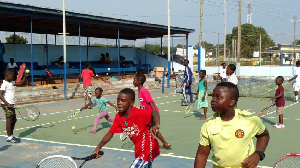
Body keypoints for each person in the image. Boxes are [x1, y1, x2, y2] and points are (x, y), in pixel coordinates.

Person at [194, 82, 270, 168]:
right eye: (213, 96)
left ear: (231, 101)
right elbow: (202, 154)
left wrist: (258, 154)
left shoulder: (250, 120)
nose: (213, 100)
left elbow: (264, 135)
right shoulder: (209, 125)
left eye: (218, 97)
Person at [92, 88, 160, 167]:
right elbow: (110, 133)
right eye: (118, 100)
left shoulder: (138, 113)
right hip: (139, 149)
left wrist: (157, 124)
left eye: (123, 101)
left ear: (131, 103)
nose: (119, 103)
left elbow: (154, 112)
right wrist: (98, 147)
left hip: (148, 148)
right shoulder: (118, 117)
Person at [133, 73, 171, 149]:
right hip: (147, 113)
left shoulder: (144, 91)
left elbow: (151, 102)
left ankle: (156, 143)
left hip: (151, 113)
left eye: (135, 80)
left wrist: (154, 114)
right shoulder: (140, 91)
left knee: (149, 129)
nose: (133, 81)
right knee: (152, 129)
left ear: (139, 82)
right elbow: (143, 103)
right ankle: (164, 143)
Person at [0, 69, 28, 143]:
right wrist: (7, 104)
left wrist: (25, 76)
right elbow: (0, 95)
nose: (13, 77)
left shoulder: (11, 82)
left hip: (11, 104)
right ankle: (9, 138)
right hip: (7, 105)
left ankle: (11, 136)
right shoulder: (4, 84)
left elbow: (20, 83)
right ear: (7, 76)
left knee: (14, 120)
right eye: (12, 76)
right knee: (9, 120)